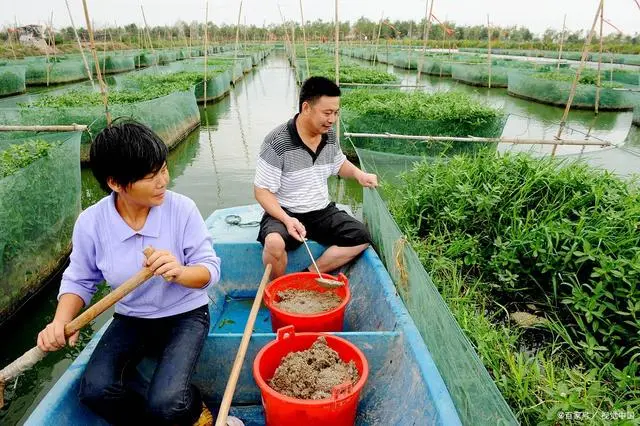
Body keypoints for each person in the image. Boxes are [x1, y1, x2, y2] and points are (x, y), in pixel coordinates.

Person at [36, 122, 242, 426]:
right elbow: (81, 279)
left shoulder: (181, 209)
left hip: (185, 314)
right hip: (131, 317)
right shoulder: (91, 223)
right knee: (95, 391)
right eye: (151, 176)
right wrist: (61, 321)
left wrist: (180, 272)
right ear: (116, 184)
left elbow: (209, 270)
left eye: (163, 169)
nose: (163, 181)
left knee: (168, 402)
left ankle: (192, 407)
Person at [254, 76, 378, 279]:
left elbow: (339, 165)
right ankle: (277, 287)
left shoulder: (329, 137)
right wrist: (287, 219)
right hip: (285, 211)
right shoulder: (277, 142)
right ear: (306, 108)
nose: (332, 119)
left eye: (336, 113)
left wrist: (358, 174)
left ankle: (308, 274)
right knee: (274, 243)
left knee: (361, 237)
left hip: (321, 211)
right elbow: (261, 191)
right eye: (327, 113)